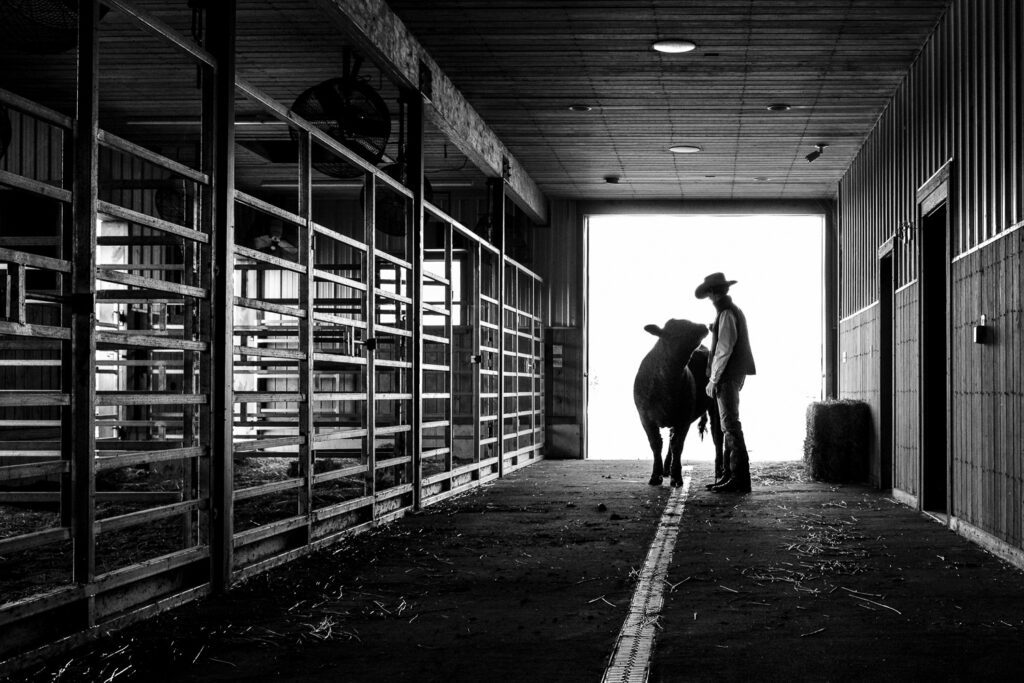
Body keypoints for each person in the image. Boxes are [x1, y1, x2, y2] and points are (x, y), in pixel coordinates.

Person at [694, 272, 756, 493]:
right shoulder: (727, 314)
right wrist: (714, 329)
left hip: (727, 376)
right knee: (727, 426)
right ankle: (730, 476)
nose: (710, 298)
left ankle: (739, 479)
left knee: (730, 426)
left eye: (710, 294)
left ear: (713, 293)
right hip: (731, 375)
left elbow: (724, 349)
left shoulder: (727, 313)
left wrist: (713, 379)